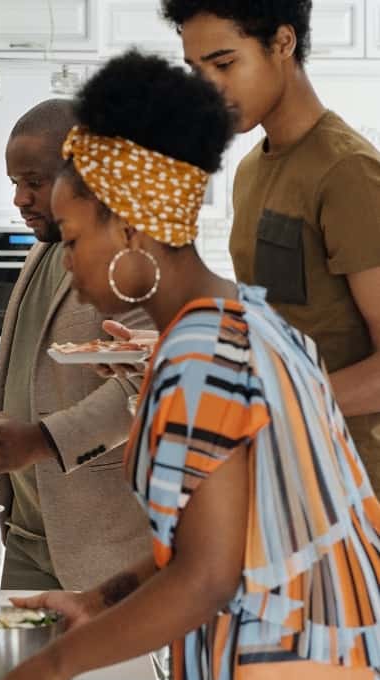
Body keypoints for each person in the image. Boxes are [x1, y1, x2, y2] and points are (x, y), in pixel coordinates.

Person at [0, 52, 380, 680]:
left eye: (73, 239)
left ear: (131, 231)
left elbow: (205, 579)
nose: (67, 266)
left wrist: (55, 664)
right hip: (332, 667)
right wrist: (97, 602)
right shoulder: (250, 320)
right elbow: (224, 535)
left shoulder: (197, 357)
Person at [164, 0, 380, 488]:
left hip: (353, 489)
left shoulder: (348, 173)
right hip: (280, 475)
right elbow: (281, 319)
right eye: (196, 70)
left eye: (224, 64)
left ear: (283, 43)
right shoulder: (251, 170)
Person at [0, 99, 152, 590]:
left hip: (103, 546)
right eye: (15, 182)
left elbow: (148, 382)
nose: (19, 199)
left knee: (109, 671)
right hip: (26, 536)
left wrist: (40, 440)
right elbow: (30, 367)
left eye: (34, 182)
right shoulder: (45, 249)